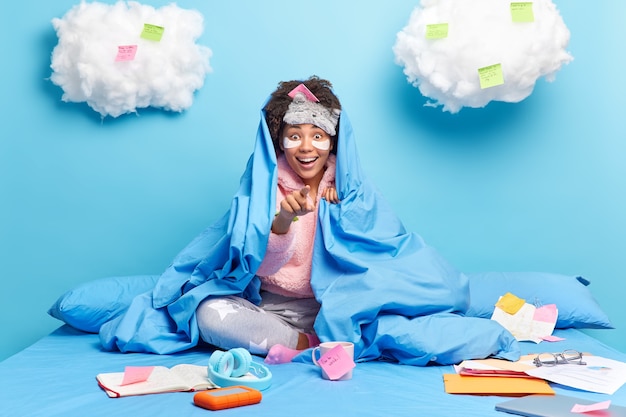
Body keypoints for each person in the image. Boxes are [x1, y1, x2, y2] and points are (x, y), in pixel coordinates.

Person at [195, 76, 342, 364]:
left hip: (333, 309)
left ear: (332, 140)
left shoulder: (348, 185)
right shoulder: (267, 188)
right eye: (295, 136)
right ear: (280, 140)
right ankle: (304, 344)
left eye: (318, 135)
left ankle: (327, 335)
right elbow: (257, 262)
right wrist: (285, 217)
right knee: (207, 314)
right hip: (270, 309)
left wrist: (344, 203)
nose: (306, 147)